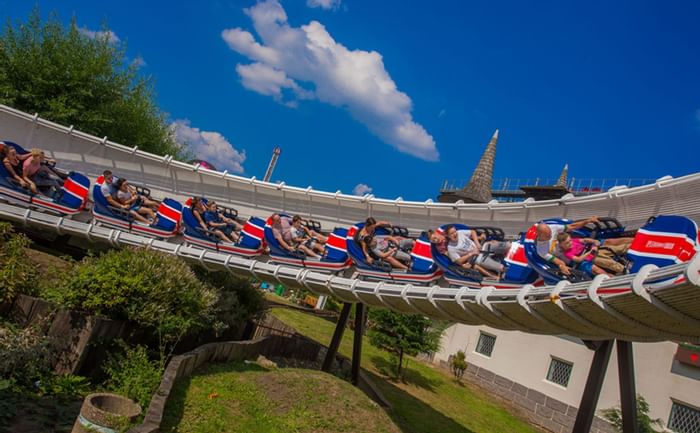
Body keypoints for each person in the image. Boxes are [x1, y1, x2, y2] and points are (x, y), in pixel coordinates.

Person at [535, 216, 633, 276]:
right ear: (540, 235)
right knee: (597, 269)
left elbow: (572, 227)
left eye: (551, 234)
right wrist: (562, 266)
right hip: (580, 258)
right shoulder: (542, 250)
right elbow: (558, 261)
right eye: (548, 236)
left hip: (587, 248)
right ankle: (617, 277)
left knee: (610, 242)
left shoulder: (553, 229)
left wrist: (588, 221)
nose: (551, 236)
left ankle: (637, 242)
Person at [442, 225, 510, 278]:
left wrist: (477, 243)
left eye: (455, 231)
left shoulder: (460, 233)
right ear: (448, 236)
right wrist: (471, 254)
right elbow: (458, 261)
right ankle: (507, 271)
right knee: (500, 267)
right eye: (451, 233)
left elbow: (472, 232)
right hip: (477, 258)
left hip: (482, 247)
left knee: (506, 245)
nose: (455, 234)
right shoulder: (451, 248)